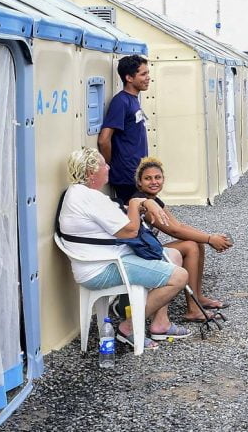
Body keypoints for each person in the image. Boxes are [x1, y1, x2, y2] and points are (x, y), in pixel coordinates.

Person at [58, 148, 191, 349]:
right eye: (104, 165)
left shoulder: (79, 193)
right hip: (103, 268)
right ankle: (128, 327)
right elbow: (130, 231)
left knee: (172, 255)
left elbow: (115, 217)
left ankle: (160, 323)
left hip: (100, 261)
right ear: (91, 172)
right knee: (180, 276)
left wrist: (135, 206)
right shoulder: (89, 198)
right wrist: (136, 204)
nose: (108, 167)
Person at [133, 157, 234, 321]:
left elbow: (179, 225)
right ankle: (193, 309)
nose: (153, 182)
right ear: (139, 183)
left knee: (197, 242)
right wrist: (210, 239)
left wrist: (209, 237)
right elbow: (175, 231)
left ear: (163, 179)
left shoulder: (155, 200)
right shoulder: (144, 203)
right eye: (147, 178)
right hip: (139, 255)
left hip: (148, 250)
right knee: (190, 246)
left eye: (157, 177)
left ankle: (197, 296)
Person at [98, 55, 150, 204]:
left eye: (148, 73)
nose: (148, 78)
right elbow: (104, 140)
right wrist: (108, 165)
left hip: (137, 173)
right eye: (143, 74)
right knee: (133, 218)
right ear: (129, 78)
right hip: (127, 176)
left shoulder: (133, 100)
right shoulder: (121, 102)